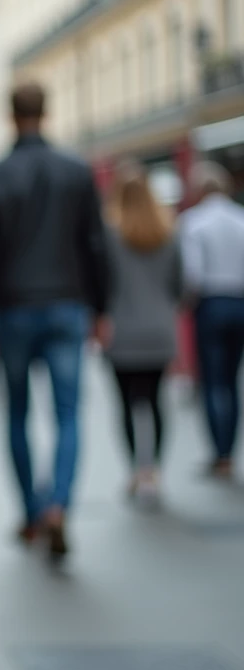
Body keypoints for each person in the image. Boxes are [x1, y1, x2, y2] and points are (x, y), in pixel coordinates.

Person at [0, 83, 109, 559]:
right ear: (47, 112)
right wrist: (102, 308)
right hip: (67, 305)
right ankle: (58, 504)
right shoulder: (76, 170)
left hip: (12, 310)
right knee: (68, 413)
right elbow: (95, 244)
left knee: (17, 413)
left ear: (10, 116)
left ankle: (30, 513)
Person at [103, 164, 182, 504]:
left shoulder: (109, 235)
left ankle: (136, 470)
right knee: (156, 402)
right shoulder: (168, 231)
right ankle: (154, 471)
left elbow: (101, 284)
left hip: (121, 332)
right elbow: (180, 285)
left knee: (126, 405)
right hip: (160, 330)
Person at [180, 161, 244, 479]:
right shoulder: (240, 218)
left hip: (211, 304)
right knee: (232, 381)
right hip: (240, 302)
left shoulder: (194, 222)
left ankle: (219, 453)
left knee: (213, 381)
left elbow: (193, 274)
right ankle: (229, 453)